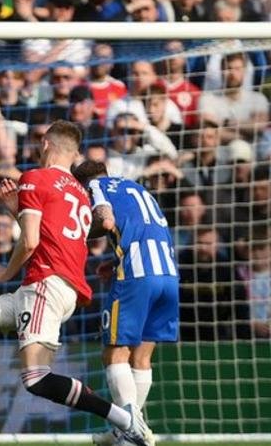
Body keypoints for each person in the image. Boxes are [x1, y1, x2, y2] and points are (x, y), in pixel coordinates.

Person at [0, 121, 151, 446]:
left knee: (35, 377)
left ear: (45, 145)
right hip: (51, 287)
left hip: (44, 285)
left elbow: (28, 243)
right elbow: (50, 238)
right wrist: (18, 212)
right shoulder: (81, 195)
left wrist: (5, 273)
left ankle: (124, 419)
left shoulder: (34, 178)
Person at [73, 160, 179, 446]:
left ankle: (130, 429)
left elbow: (105, 220)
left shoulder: (95, 187)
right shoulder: (138, 189)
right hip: (168, 275)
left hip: (137, 277)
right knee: (141, 358)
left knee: (114, 354)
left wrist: (76, 229)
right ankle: (128, 431)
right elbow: (145, 231)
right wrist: (115, 258)